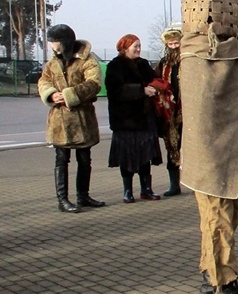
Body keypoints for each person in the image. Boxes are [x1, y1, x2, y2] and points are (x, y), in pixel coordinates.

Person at [179, 0, 238, 294]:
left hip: (232, 151)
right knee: (217, 222)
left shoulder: (234, 54)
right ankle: (223, 284)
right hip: (211, 155)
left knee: (224, 219)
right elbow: (206, 109)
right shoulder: (196, 55)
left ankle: (209, 271)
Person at [38, 24, 105, 213]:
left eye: (54, 42)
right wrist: (51, 95)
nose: (51, 45)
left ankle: (83, 196)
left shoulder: (87, 59)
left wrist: (68, 95)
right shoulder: (52, 63)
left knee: (84, 159)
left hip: (82, 118)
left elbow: (93, 83)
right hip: (59, 120)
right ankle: (63, 200)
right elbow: (43, 81)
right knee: (61, 159)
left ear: (64, 42)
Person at [105, 34, 162, 203]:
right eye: (135, 46)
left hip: (144, 118)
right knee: (126, 156)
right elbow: (115, 90)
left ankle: (146, 189)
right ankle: (127, 191)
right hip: (125, 120)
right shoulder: (115, 66)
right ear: (124, 47)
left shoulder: (143, 64)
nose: (138, 49)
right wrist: (141, 90)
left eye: (139, 46)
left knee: (145, 155)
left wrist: (155, 87)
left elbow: (155, 80)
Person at [154, 28, 183, 197]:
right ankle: (174, 185)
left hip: (188, 110)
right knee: (172, 147)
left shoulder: (188, 60)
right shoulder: (163, 63)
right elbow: (156, 81)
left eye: (176, 43)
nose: (173, 46)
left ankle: (196, 184)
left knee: (191, 147)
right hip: (169, 112)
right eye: (170, 43)